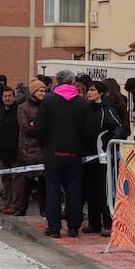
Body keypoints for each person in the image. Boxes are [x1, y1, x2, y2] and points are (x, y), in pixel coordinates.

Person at [34, 70, 91, 238]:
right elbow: (88, 131)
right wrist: (81, 146)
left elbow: (39, 127)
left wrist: (46, 144)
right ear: (73, 82)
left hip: (52, 153)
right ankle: (73, 227)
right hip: (75, 154)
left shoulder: (48, 101)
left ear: (57, 82)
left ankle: (54, 228)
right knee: (74, 190)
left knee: (53, 191)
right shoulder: (82, 103)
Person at [83, 81, 123, 236]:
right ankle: (94, 223)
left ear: (100, 93)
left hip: (102, 159)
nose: (89, 93)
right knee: (90, 191)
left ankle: (108, 223)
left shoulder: (107, 110)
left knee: (103, 191)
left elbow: (119, 127)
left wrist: (113, 139)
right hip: (87, 158)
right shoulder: (85, 110)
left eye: (92, 90)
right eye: (88, 90)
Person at [14, 78, 46, 217]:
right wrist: (41, 128)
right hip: (28, 150)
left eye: (45, 90)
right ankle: (22, 207)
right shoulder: (23, 108)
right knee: (26, 180)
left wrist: (36, 125)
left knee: (44, 182)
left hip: (44, 149)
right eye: (40, 90)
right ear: (33, 91)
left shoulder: (47, 106)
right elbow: (26, 128)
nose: (43, 93)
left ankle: (44, 209)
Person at [0, 85, 20, 214]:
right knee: (6, 179)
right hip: (3, 151)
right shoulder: (1, 111)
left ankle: (15, 205)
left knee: (16, 179)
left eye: (10, 96)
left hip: (15, 152)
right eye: (5, 96)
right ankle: (7, 203)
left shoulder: (19, 111)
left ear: (14, 97)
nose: (8, 98)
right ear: (2, 98)